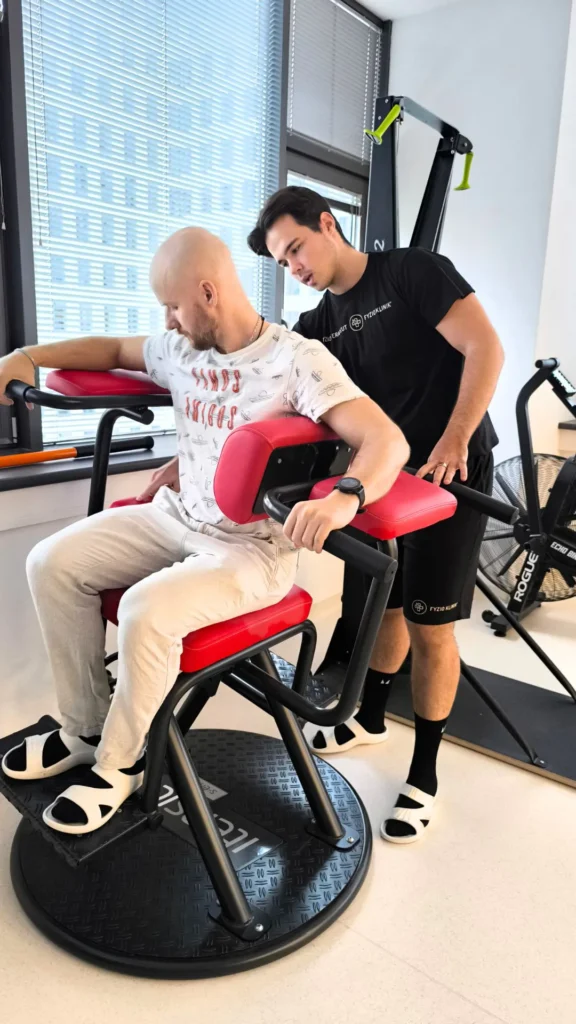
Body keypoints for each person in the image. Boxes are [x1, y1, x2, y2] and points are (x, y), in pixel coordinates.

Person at [0, 227, 409, 836]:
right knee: (49, 563)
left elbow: (386, 440)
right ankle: (84, 728)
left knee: (145, 610)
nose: (167, 320)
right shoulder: (180, 348)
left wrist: (345, 497)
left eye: (173, 305)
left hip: (253, 548)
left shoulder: (297, 360)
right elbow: (112, 349)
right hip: (176, 515)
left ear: (209, 293)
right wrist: (26, 355)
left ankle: (120, 764)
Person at [245, 186, 505, 844]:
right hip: (386, 479)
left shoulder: (412, 271)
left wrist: (454, 439)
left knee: (429, 626)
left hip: (451, 473)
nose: (294, 267)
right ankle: (370, 719)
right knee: (385, 607)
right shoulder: (316, 325)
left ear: (328, 224)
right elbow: (272, 388)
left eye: (297, 248)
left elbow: (485, 348)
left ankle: (425, 775)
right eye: (282, 262)